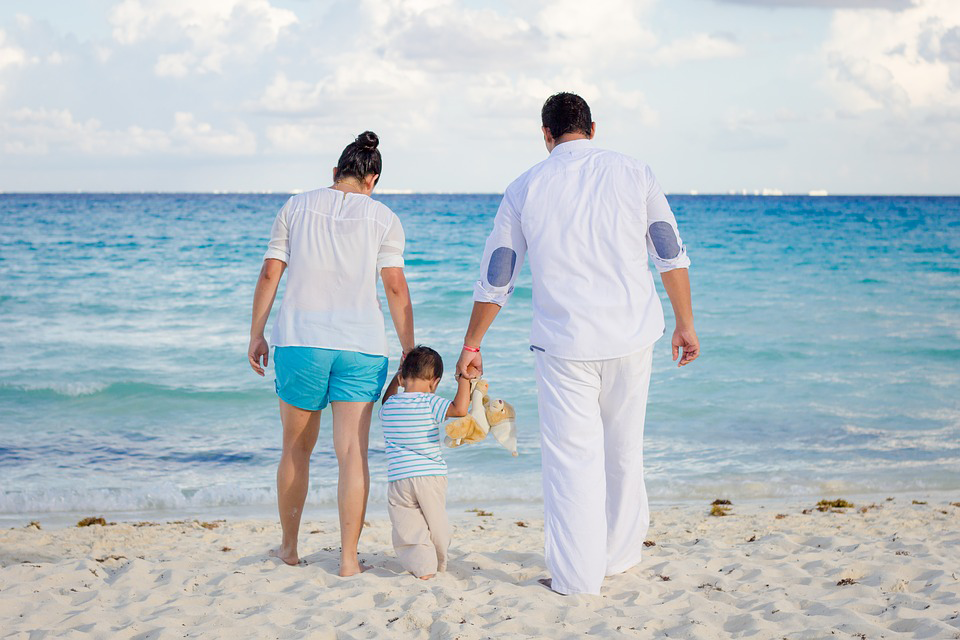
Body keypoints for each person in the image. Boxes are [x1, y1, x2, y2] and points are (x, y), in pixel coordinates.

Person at [456, 93, 700, 596]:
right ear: (593, 128)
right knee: (623, 448)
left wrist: (473, 342)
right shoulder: (636, 172)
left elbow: (498, 271)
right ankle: (620, 556)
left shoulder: (525, 187)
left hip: (564, 345)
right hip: (632, 336)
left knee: (571, 459)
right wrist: (685, 323)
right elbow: (669, 252)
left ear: (545, 136)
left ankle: (576, 577)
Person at [247, 131, 414, 577]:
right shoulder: (384, 218)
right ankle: (346, 560)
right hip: (361, 347)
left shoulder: (295, 207)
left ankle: (288, 549)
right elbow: (395, 286)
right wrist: (409, 349)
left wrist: (257, 333)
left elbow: (269, 273)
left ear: (335, 172)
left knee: (296, 450)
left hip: (301, 341)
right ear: (372, 179)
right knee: (352, 455)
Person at [379, 346, 472, 579]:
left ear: (401, 378)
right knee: (435, 521)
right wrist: (464, 379)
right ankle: (440, 560)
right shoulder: (430, 402)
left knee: (407, 526)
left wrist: (397, 375)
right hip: (430, 475)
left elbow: (386, 398)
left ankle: (424, 569)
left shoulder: (390, 406)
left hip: (399, 478)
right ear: (435, 382)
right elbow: (460, 409)